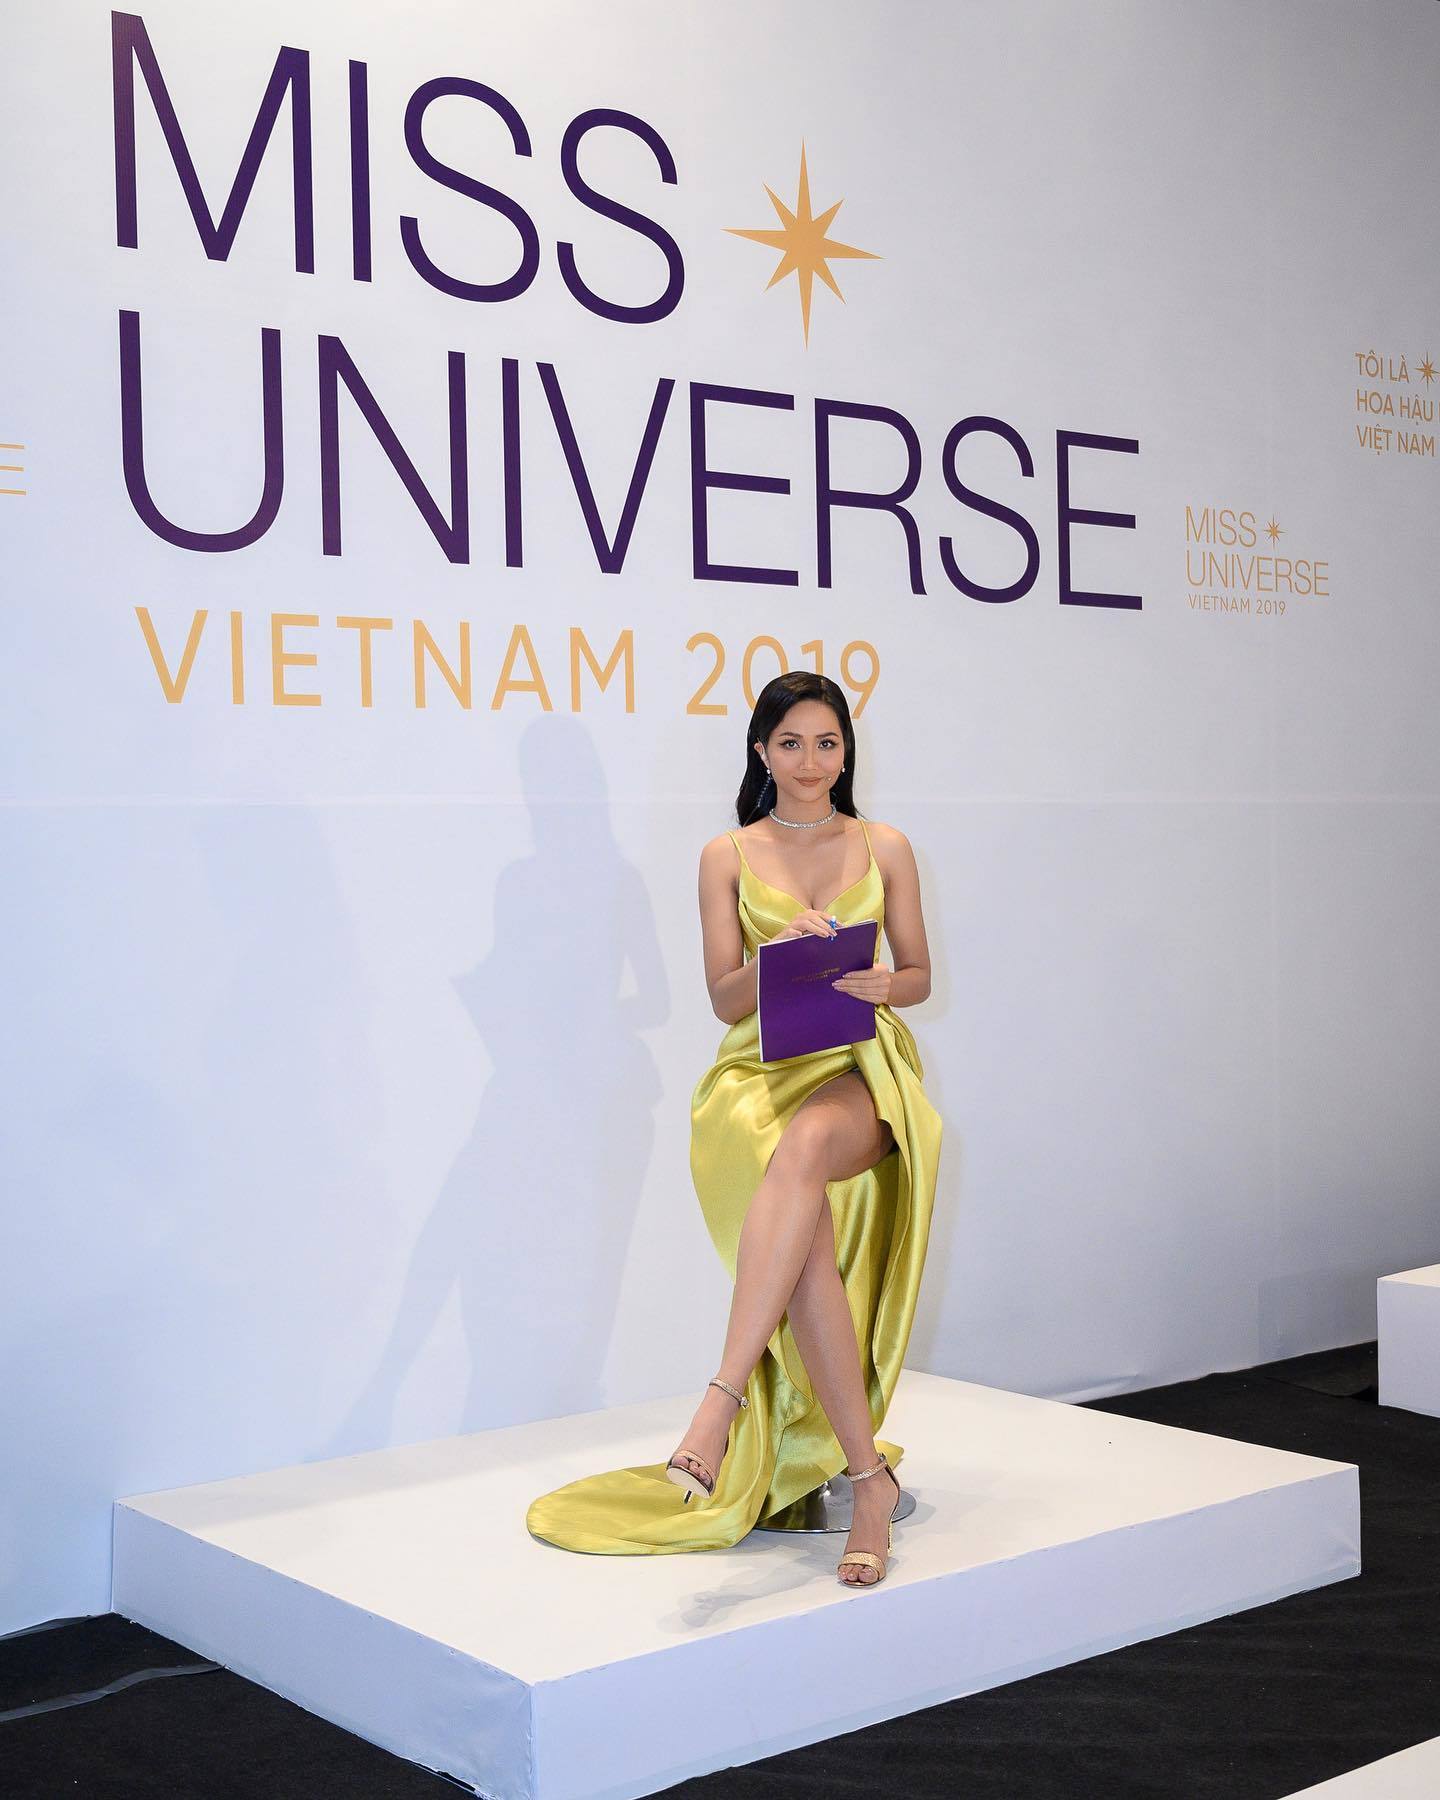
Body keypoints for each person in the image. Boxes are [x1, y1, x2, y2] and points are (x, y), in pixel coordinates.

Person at [525, 671, 942, 1587]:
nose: (811, 761)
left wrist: (884, 983)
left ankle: (717, 1403)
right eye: (791, 743)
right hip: (758, 1074)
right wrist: (775, 958)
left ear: (846, 751)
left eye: (827, 743)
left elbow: (918, 975)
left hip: (861, 1070)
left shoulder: (886, 845)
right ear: (762, 752)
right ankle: (867, 1480)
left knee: (805, 1151)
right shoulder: (726, 855)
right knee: (805, 1236)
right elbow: (721, 999)